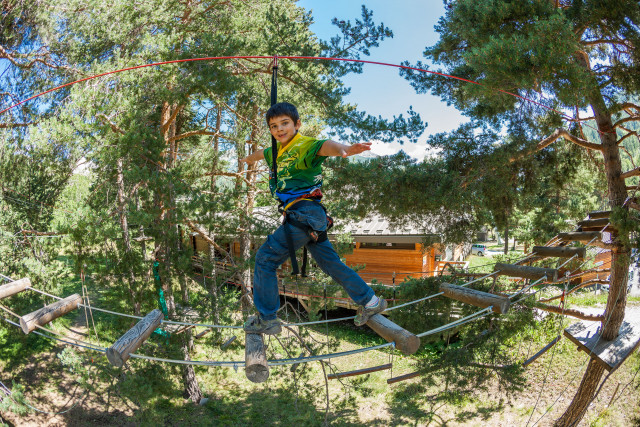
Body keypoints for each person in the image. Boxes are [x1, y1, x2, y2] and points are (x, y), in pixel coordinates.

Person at [239, 102, 387, 335]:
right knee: (330, 264)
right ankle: (370, 301)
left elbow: (325, 146)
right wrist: (248, 159)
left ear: (297, 124)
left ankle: (267, 318)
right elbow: (261, 153)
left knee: (265, 260)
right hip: (310, 217)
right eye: (273, 126)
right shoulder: (273, 151)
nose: (279, 129)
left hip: (303, 214)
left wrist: (344, 149)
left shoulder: (304, 145)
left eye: (285, 123)